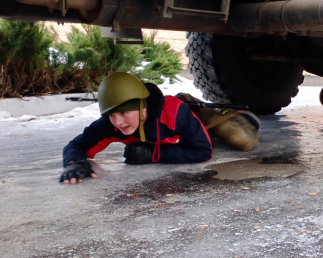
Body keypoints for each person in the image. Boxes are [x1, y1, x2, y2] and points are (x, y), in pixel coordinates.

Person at [60, 72, 213, 184]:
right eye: (111, 115)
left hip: (201, 114)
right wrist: (74, 162)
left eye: (124, 112)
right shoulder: (111, 124)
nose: (118, 122)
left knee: (235, 136)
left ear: (143, 108)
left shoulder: (176, 113)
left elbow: (203, 150)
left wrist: (154, 155)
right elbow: (77, 145)